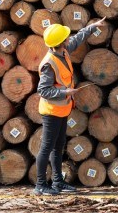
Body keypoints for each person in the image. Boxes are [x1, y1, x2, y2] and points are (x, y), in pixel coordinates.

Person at [33, 17, 105, 196]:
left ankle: (57, 182)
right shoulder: (49, 64)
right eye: (66, 36)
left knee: (58, 147)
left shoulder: (63, 51)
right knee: (47, 147)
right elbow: (43, 90)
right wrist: (65, 93)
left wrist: (92, 27)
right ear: (60, 41)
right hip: (51, 112)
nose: (69, 38)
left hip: (62, 109)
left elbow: (78, 38)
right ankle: (40, 184)